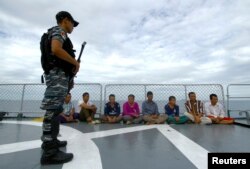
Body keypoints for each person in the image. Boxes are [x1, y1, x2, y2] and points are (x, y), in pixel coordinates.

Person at [40, 11, 80, 165]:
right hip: (57, 77)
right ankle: (49, 152)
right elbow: (56, 49)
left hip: (59, 77)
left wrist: (69, 77)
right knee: (52, 111)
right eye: (72, 23)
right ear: (64, 20)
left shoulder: (56, 32)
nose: (73, 27)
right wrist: (75, 63)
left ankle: (52, 141)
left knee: (55, 110)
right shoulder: (59, 31)